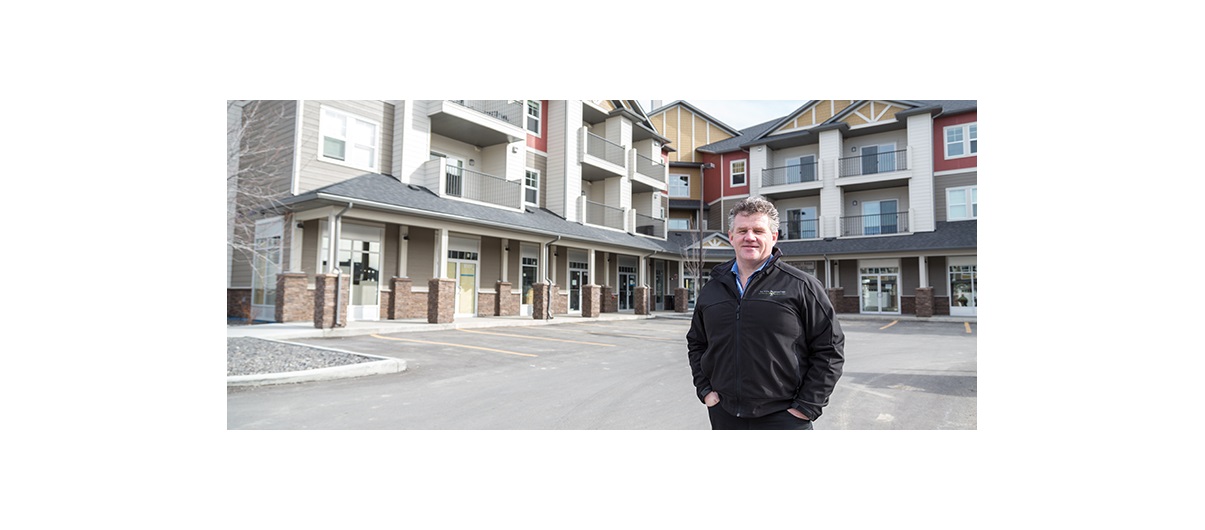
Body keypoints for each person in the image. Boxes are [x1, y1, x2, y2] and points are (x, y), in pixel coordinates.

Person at [687, 196, 845, 429]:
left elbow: (830, 348)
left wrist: (807, 406)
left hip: (785, 417)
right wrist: (705, 390)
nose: (749, 237)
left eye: (758, 231)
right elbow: (697, 343)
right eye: (742, 231)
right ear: (731, 237)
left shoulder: (802, 285)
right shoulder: (713, 288)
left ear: (773, 237)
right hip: (725, 414)